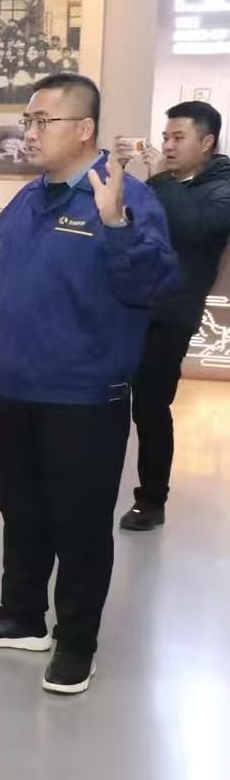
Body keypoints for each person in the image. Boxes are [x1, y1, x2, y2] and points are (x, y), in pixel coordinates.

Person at [0, 73, 179, 696]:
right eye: (26, 121)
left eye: (40, 121)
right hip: (14, 391)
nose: (28, 133)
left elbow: (153, 288)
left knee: (79, 526)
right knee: (21, 513)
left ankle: (77, 642)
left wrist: (117, 225)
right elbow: (0, 288)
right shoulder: (25, 201)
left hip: (83, 399)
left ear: (84, 129)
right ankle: (23, 617)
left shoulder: (126, 197)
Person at [119, 102, 230, 532]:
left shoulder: (222, 185)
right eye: (165, 137)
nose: (167, 145)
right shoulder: (164, 182)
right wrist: (124, 177)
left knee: (150, 406)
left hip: (173, 313)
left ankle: (150, 500)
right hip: (132, 304)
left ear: (207, 142)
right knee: (109, 398)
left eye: (178, 138)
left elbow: (197, 226)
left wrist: (158, 180)